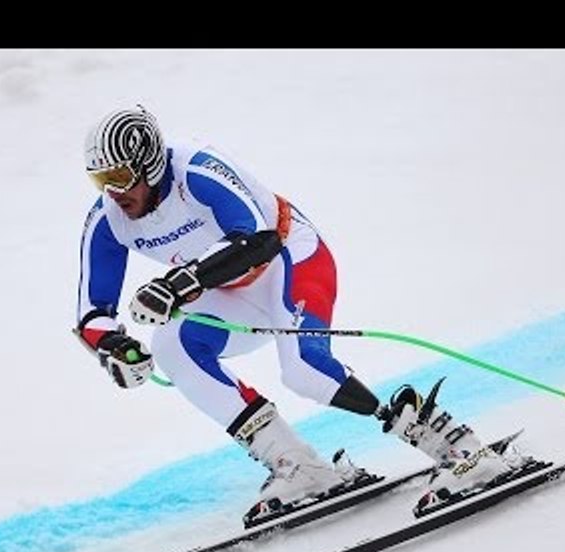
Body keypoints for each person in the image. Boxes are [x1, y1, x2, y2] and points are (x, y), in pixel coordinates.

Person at [75, 105, 514, 521]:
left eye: (119, 177)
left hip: (289, 258)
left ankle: (457, 447)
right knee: (172, 347)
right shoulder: (109, 218)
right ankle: (299, 466)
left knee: (305, 371)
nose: (113, 192)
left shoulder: (196, 170)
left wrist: (178, 284)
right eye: (100, 181)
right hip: (231, 289)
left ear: (150, 165)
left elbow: (257, 239)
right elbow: (91, 313)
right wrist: (114, 348)